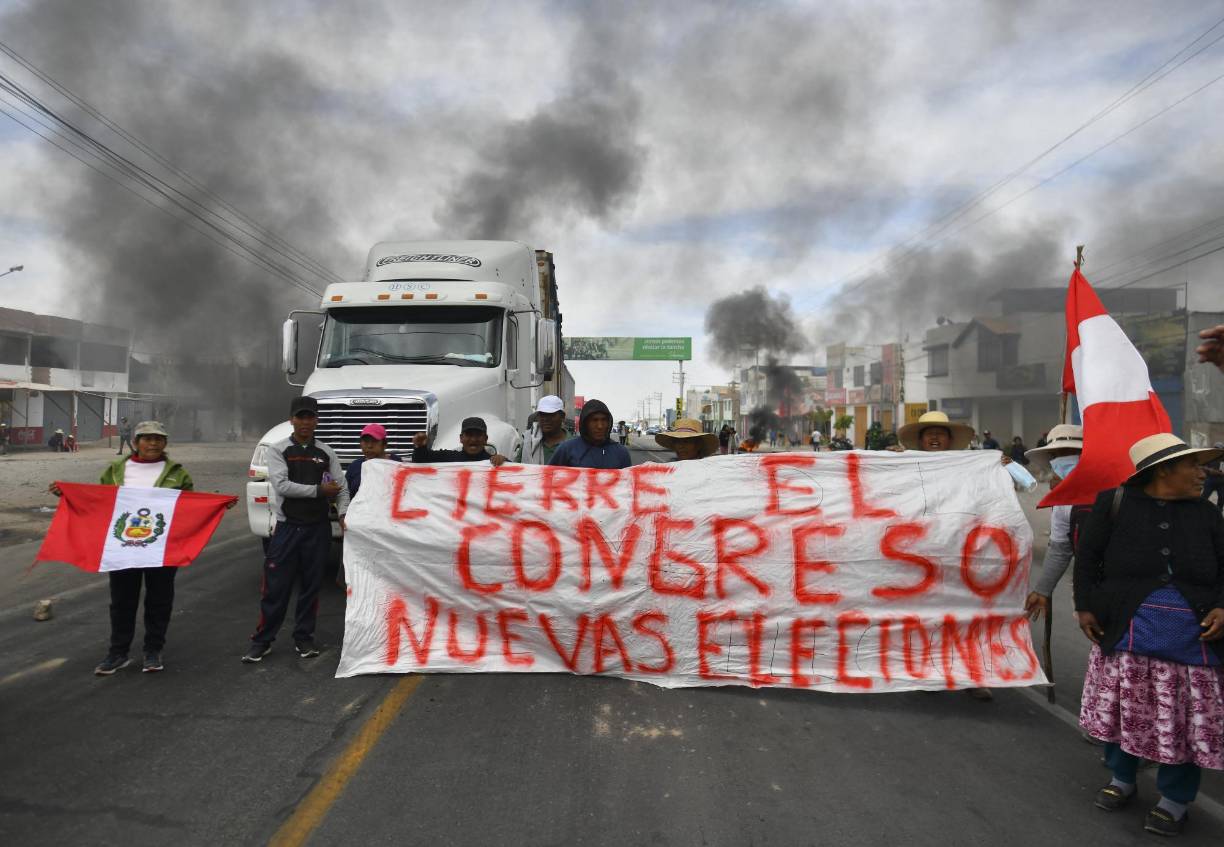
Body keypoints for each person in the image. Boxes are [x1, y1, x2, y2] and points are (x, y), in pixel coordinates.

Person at [1074, 433, 1224, 836]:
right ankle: (1121, 778)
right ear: (1163, 471)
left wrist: (1222, 606)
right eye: (1193, 466)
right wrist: (1084, 605)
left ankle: (1174, 800)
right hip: (1125, 631)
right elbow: (1088, 558)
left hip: (1194, 641)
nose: (1203, 473)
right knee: (1127, 707)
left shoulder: (1207, 515)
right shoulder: (1114, 504)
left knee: (1182, 719)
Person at [50, 421, 213, 675]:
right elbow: (98, 502)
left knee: (159, 600)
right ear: (136, 442)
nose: (153, 443)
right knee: (122, 601)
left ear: (165, 444)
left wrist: (214, 506)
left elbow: (188, 507)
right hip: (123, 547)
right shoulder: (116, 470)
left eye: (158, 439)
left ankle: (153, 650)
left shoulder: (177, 473)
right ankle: (118, 653)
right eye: (147, 438)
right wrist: (69, 494)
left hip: (160, 548)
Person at [897, 411, 997, 701]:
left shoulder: (972, 467)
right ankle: (927, 672)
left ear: (951, 439)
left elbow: (1015, 487)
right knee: (924, 617)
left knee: (967, 616)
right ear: (920, 439)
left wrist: (1001, 468)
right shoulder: (904, 466)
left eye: (941, 433)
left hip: (962, 554)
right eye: (929, 433)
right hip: (920, 556)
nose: (935, 438)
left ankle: (972, 676)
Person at [242, 396, 349, 664]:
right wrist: (319, 491)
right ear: (291, 419)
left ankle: (304, 638)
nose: (305, 422)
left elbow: (342, 487)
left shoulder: (326, 452)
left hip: (318, 529)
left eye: (310, 417)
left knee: (311, 588)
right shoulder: (279, 450)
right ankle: (262, 641)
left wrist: (344, 512)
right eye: (300, 417)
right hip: (288, 528)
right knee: (276, 588)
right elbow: (281, 486)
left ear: (316, 420)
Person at [1022, 424, 1086, 620]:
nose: (1063, 459)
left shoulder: (1113, 488)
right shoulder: (1062, 501)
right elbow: (1060, 548)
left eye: (1071, 453)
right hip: (1089, 591)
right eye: (1057, 455)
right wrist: (1043, 591)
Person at [548, 399, 631, 469]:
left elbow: (628, 485)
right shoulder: (566, 449)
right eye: (594, 420)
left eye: (604, 420)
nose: (600, 426)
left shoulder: (621, 453)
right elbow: (548, 479)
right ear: (585, 423)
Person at [412, 417, 509, 465]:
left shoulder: (494, 462)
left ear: (486, 439)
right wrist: (420, 447)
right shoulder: (449, 458)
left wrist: (505, 462)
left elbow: (521, 474)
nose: (473, 439)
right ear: (461, 438)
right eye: (469, 435)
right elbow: (420, 460)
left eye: (478, 435)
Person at [345, 423, 402, 500]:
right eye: (365, 441)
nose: (369, 446)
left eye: (374, 441)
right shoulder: (355, 466)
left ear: (384, 444)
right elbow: (345, 494)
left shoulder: (396, 463)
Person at [517, 396, 568, 465]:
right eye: (542, 415)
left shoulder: (575, 444)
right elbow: (516, 467)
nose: (546, 419)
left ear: (562, 417)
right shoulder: (529, 442)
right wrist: (504, 462)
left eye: (551, 415)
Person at [1201, 444, 1224, 514]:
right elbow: (1202, 466)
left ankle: (1219, 510)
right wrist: (1210, 470)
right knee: (1205, 496)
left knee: (1222, 496)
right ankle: (1200, 509)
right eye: (1216, 449)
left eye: (1220, 450)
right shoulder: (1209, 457)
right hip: (1210, 480)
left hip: (1221, 481)